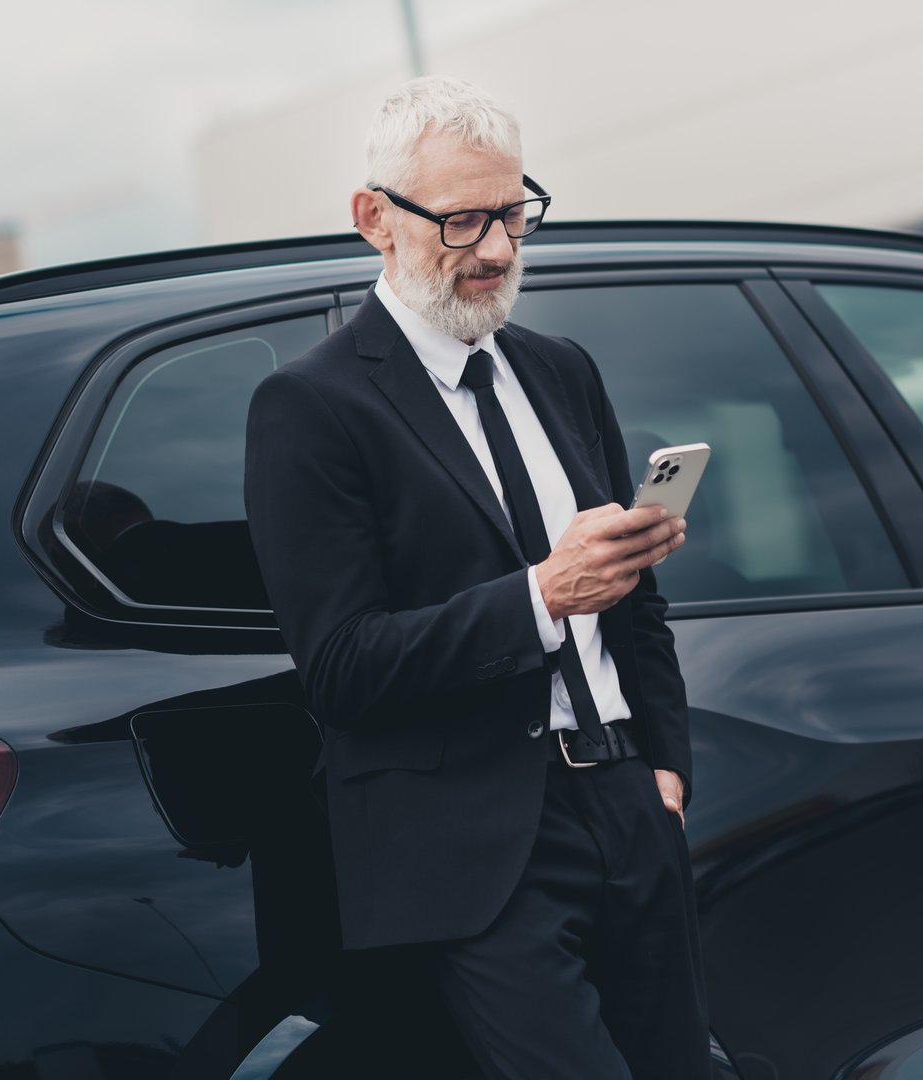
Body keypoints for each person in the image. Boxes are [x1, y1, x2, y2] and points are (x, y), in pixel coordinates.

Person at [243, 75, 710, 1080]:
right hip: (477, 854)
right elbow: (339, 666)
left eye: (512, 212)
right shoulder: (310, 408)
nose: (497, 249)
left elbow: (638, 607)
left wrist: (663, 766)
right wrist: (542, 598)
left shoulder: (560, 369)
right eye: (461, 221)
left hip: (628, 808)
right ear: (376, 219)